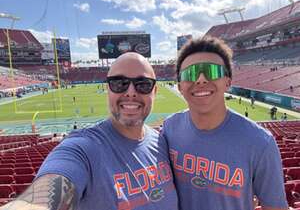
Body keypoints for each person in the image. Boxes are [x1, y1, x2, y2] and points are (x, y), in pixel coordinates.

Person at [0, 52, 178, 210]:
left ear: (154, 91)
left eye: (143, 84)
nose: (131, 92)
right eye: (119, 83)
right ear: (108, 89)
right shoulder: (83, 148)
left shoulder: (162, 142)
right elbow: (48, 191)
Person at [162, 36, 288, 210]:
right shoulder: (169, 128)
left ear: (228, 81)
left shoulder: (261, 142)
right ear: (180, 86)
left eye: (212, 71)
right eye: (190, 73)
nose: (200, 80)